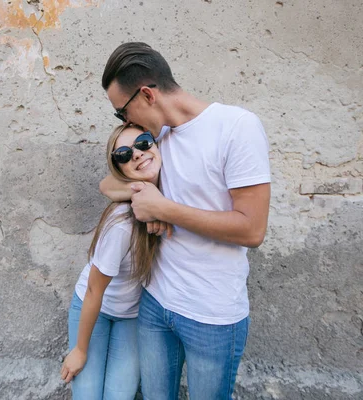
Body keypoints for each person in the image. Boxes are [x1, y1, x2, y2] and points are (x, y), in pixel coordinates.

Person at [99, 42, 271, 399]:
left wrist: (164, 209)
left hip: (213, 315)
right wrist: (141, 198)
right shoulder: (154, 141)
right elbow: (107, 181)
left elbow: (252, 229)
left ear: (146, 94)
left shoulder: (236, 127)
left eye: (122, 113)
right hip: (155, 304)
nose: (127, 124)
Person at [60, 124, 165, 400]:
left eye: (143, 142)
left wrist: (157, 206)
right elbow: (95, 290)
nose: (138, 154)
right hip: (95, 307)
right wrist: (80, 350)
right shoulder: (122, 225)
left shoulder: (172, 190)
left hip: (131, 314)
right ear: (120, 169)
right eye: (123, 154)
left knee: (120, 395)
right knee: (88, 395)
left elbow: (108, 185)